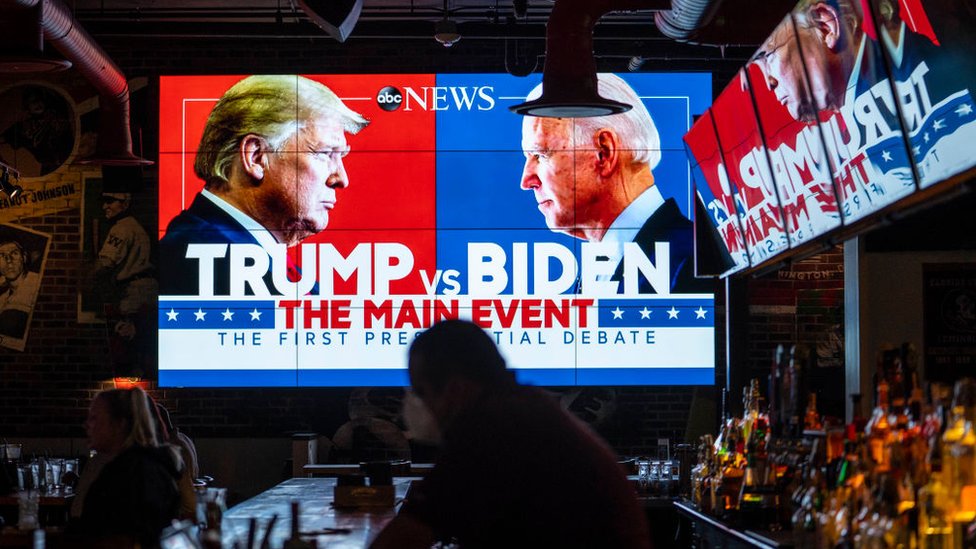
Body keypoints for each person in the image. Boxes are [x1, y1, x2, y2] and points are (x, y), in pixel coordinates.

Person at [370, 320, 651, 549]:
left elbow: (409, 533)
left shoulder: (495, 428)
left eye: (421, 392)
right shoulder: (521, 407)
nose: (416, 406)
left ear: (455, 389)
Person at [159, 74, 369, 296]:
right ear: (257, 156)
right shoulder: (212, 260)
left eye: (340, 156)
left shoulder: (232, 254)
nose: (341, 179)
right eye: (326, 153)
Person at [519, 73, 707, 295]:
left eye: (541, 154)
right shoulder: (601, 265)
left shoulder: (692, 262)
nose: (526, 180)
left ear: (603, 152)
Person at [70, 387, 182, 547]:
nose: (87, 424)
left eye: (94, 418)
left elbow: (121, 538)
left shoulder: (127, 475)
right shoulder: (151, 465)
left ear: (119, 424)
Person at [0, 239, 41, 341]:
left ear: (24, 257)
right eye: (1, 255)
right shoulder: (2, 298)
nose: (8, 259)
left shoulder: (36, 284)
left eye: (14, 253)